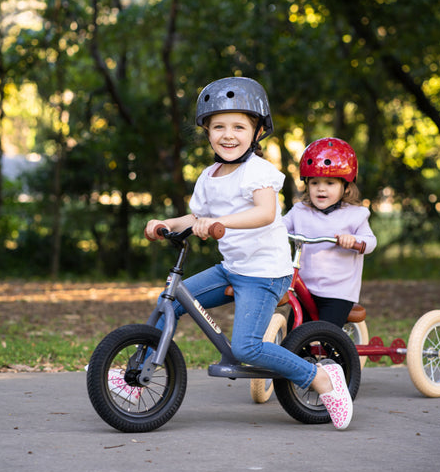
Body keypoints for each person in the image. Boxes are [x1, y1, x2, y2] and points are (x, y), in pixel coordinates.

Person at [144, 77, 352, 429]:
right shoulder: (209, 176)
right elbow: (194, 217)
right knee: (169, 302)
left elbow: (265, 213)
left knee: (246, 348)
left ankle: (321, 379)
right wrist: (164, 223)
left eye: (239, 126)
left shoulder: (258, 172)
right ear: (207, 132)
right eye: (218, 126)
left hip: (265, 272)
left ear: (256, 132)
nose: (228, 134)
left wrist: (217, 222)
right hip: (232, 267)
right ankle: (142, 370)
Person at [283, 137, 377, 328]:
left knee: (327, 334)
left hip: (338, 293)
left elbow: (370, 242)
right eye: (314, 183)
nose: (321, 188)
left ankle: (334, 357)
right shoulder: (300, 211)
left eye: (330, 183)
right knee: (295, 332)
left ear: (346, 186)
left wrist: (354, 240)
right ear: (307, 185)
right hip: (305, 289)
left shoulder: (355, 215)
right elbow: (278, 227)